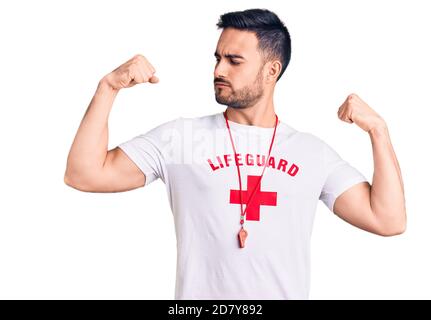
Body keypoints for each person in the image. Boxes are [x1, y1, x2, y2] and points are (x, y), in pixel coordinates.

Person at [64, 8, 406, 299]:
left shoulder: (311, 153)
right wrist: (108, 88)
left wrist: (379, 131)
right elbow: (84, 174)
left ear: (272, 70)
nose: (218, 71)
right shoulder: (181, 138)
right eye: (217, 58)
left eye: (234, 61)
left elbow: (388, 220)